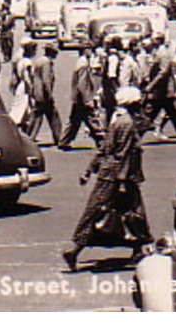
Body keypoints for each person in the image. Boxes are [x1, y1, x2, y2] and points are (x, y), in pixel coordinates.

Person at [63, 86, 151, 273]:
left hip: (110, 173)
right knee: (117, 212)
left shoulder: (116, 119)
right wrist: (120, 182)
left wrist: (90, 169)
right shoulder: (126, 122)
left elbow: (104, 148)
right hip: (121, 176)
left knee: (122, 211)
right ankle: (75, 249)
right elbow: (123, 153)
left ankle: (139, 248)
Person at [59, 45, 102, 151]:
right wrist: (87, 100)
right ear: (85, 51)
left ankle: (64, 141)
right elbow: (82, 84)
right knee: (91, 120)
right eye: (90, 50)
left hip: (78, 98)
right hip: (82, 98)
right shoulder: (83, 64)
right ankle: (102, 142)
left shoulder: (81, 62)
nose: (92, 52)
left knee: (75, 120)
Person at [27, 42, 64, 146]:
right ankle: (59, 138)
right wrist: (49, 94)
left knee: (38, 116)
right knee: (53, 116)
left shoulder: (39, 60)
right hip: (43, 94)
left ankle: (30, 137)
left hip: (38, 93)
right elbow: (46, 79)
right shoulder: (46, 62)